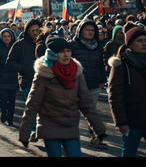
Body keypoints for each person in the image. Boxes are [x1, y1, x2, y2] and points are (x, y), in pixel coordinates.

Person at [19, 36, 107, 157]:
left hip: (70, 126)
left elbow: (87, 104)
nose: (66, 55)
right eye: (61, 52)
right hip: (49, 126)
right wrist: (25, 133)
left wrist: (99, 129)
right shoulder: (43, 74)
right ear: (53, 54)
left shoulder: (77, 72)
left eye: (68, 51)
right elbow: (33, 104)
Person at [108, 26, 146, 157]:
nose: (144, 43)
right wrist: (121, 122)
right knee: (129, 152)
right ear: (130, 43)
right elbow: (115, 96)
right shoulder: (121, 64)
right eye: (139, 40)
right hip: (132, 120)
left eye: (145, 40)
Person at [69, 18, 107, 148]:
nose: (90, 32)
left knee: (92, 112)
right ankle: (68, 139)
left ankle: (95, 138)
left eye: (92, 30)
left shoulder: (98, 46)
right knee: (72, 113)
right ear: (80, 31)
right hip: (75, 85)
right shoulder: (72, 45)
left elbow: (101, 64)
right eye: (87, 30)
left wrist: (103, 80)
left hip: (93, 84)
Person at [6, 18, 41, 141]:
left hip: (45, 81)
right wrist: (23, 69)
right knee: (32, 107)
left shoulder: (44, 43)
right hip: (27, 81)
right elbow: (10, 62)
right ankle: (33, 131)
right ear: (27, 32)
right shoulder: (19, 44)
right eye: (33, 31)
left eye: (38, 30)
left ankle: (43, 129)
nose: (36, 33)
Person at [0, 28, 18, 126]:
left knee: (12, 100)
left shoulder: (16, 46)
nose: (6, 38)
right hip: (0, 77)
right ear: (1, 37)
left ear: (12, 36)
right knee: (4, 99)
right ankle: (3, 112)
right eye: (4, 36)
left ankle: (10, 119)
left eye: (8, 36)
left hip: (13, 77)